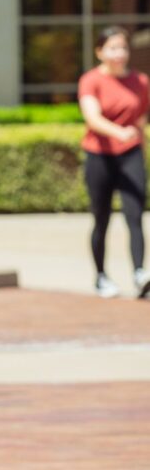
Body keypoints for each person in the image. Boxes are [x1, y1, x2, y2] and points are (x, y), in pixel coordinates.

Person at [77, 25, 150, 299]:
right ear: (99, 52)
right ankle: (101, 276)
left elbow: (141, 118)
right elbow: (92, 118)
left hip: (130, 154)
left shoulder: (141, 81)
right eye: (112, 48)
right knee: (102, 218)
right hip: (99, 155)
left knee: (135, 214)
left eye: (123, 48)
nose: (119, 53)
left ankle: (141, 273)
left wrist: (137, 145)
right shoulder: (91, 80)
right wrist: (120, 132)